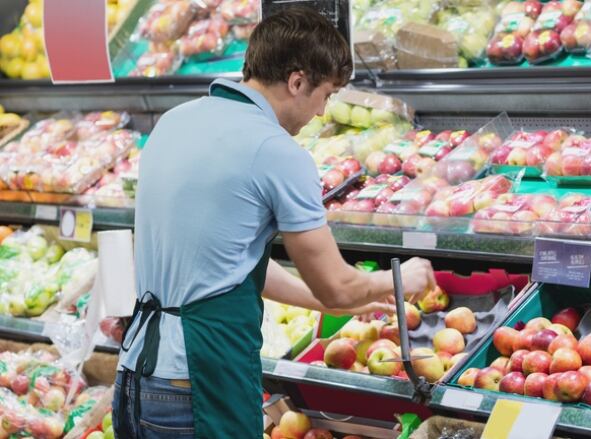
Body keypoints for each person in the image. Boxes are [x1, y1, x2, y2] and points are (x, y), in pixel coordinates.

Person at [112, 7, 435, 438]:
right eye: (327, 95)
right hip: (199, 384)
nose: (322, 113)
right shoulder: (276, 151)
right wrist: (400, 278)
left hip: (136, 374)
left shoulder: (175, 122)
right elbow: (336, 284)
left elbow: (224, 264)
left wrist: (326, 305)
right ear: (297, 82)